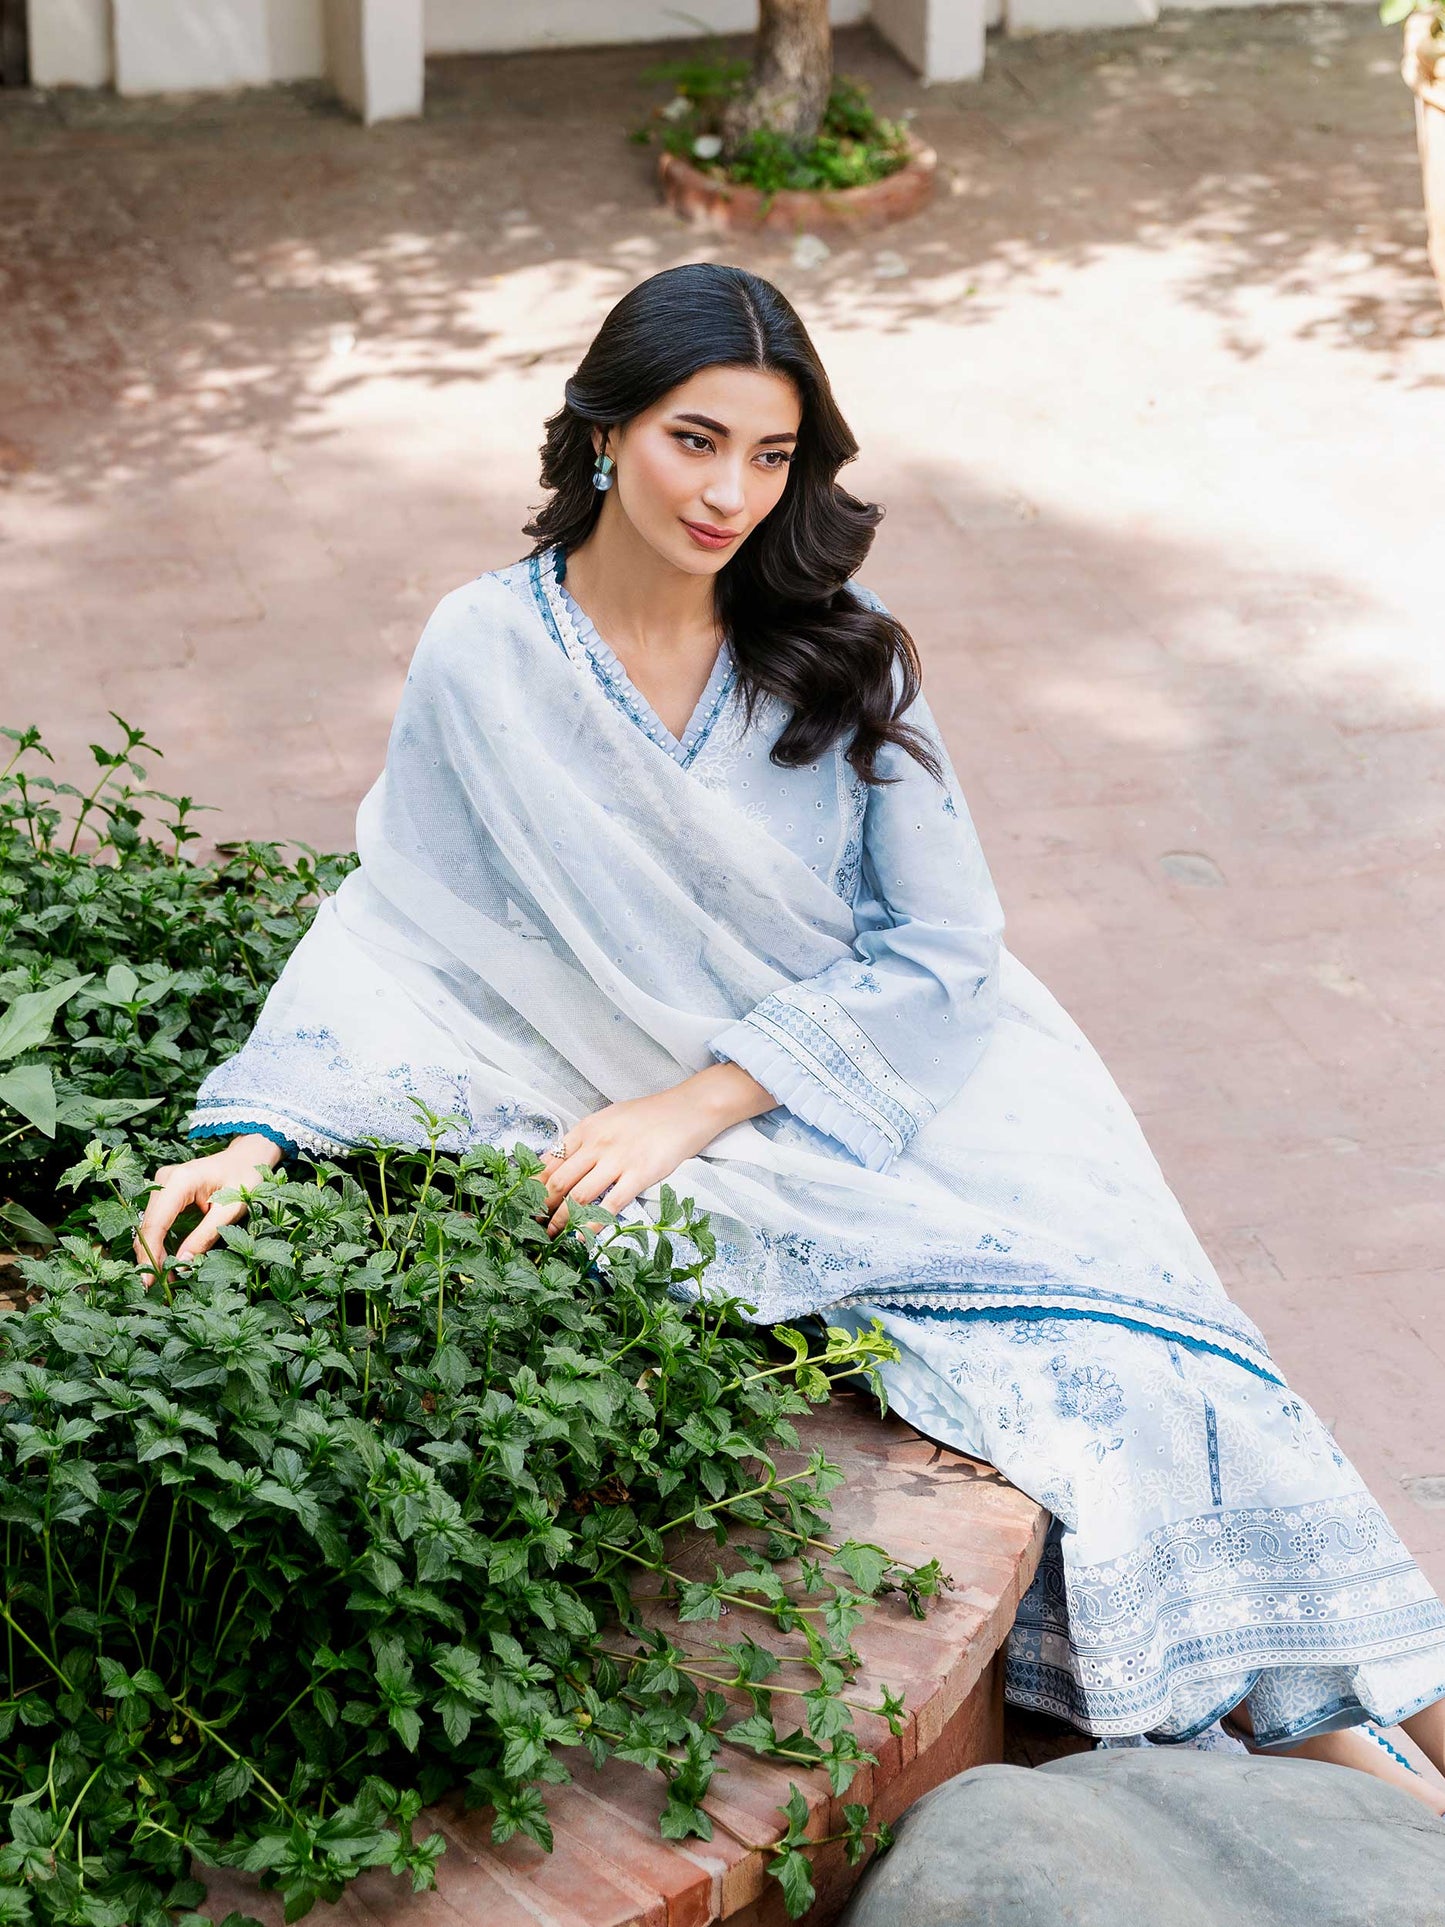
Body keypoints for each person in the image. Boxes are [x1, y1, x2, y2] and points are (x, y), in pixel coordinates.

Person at [137, 262, 1445, 1809]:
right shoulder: (484, 653)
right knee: (1106, 1406)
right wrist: (261, 1130)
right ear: (604, 429)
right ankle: (1348, 1758)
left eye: (769, 456)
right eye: (694, 441)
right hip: (724, 1158)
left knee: (1197, 1380)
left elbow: (944, 950)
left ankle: (1378, 1740)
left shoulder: (839, 645)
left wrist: (697, 1100)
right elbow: (404, 918)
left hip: (929, 1084)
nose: (730, 495)